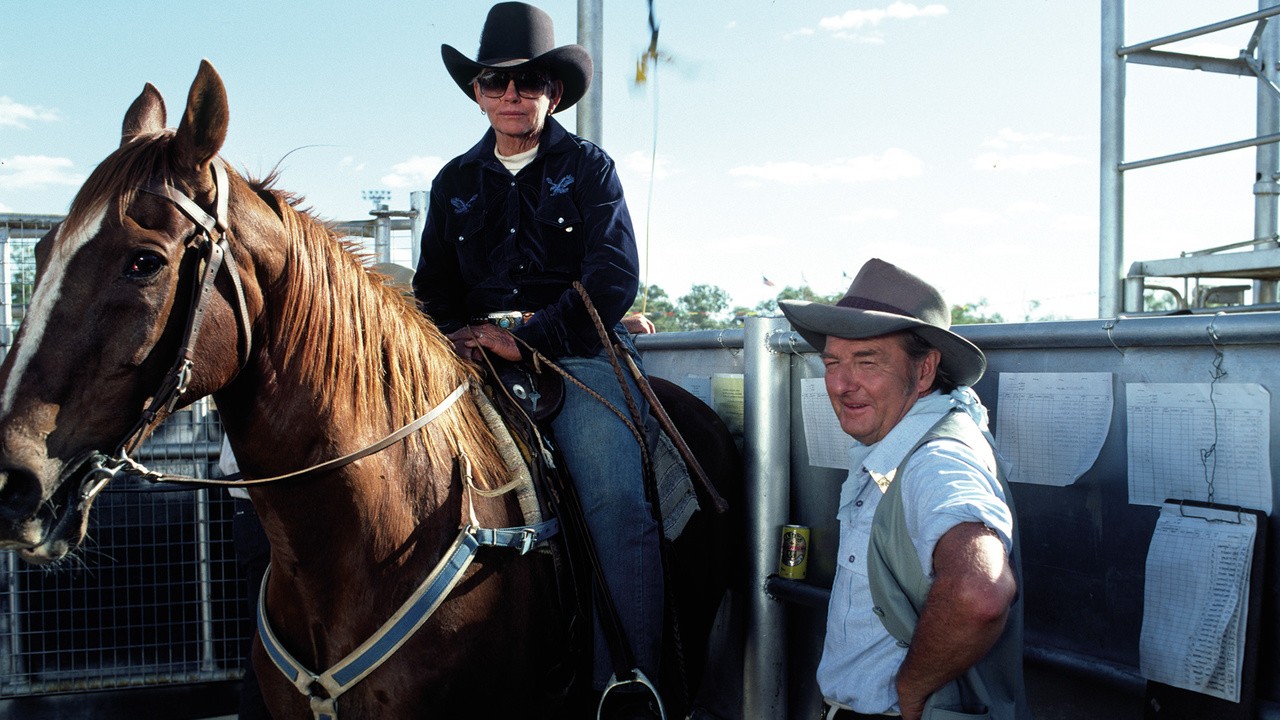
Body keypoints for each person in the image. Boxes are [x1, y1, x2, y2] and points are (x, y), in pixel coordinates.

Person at [413, 3, 663, 715]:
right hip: (469, 361)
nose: (512, 96)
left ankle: (630, 683)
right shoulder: (453, 183)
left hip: (571, 357)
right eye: (496, 82)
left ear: (553, 92)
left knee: (617, 500)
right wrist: (460, 334)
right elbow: (432, 289)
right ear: (477, 92)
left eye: (528, 83)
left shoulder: (588, 168)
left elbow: (613, 278)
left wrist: (527, 339)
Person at [779, 259, 1031, 720]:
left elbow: (980, 594)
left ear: (925, 371)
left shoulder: (933, 462)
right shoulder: (907, 443)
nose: (840, 384)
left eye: (867, 361)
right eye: (832, 363)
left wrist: (910, 691)